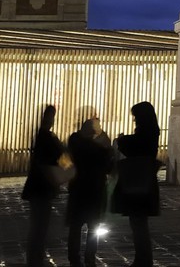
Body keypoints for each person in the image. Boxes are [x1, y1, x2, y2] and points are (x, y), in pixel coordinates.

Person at [112, 101, 161, 267]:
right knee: (139, 223)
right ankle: (142, 258)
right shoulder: (152, 132)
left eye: (135, 116)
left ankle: (143, 259)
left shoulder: (144, 134)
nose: (134, 120)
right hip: (145, 180)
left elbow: (133, 148)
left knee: (138, 223)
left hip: (138, 180)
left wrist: (121, 140)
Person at [65, 114, 113, 267]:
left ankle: (74, 258)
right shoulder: (101, 147)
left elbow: (65, 160)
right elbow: (109, 167)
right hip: (95, 190)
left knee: (75, 226)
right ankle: (90, 258)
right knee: (93, 227)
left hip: (78, 189)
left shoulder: (74, 142)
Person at [20, 104, 65, 267]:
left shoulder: (42, 136)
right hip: (42, 187)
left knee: (38, 226)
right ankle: (35, 259)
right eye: (51, 117)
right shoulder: (47, 137)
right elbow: (59, 157)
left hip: (39, 186)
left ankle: (35, 258)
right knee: (40, 226)